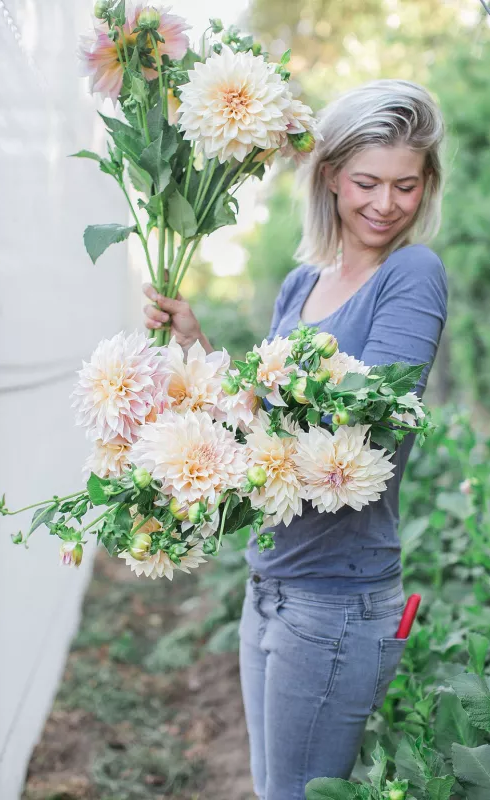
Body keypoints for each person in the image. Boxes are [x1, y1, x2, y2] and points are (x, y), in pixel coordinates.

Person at [142, 79, 448, 800]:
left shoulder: (411, 274)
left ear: (425, 184)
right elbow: (250, 417)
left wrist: (257, 427)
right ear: (331, 175)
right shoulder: (299, 285)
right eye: (366, 181)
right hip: (271, 583)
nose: (384, 203)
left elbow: (370, 429)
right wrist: (198, 348)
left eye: (405, 185)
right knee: (272, 788)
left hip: (335, 602)